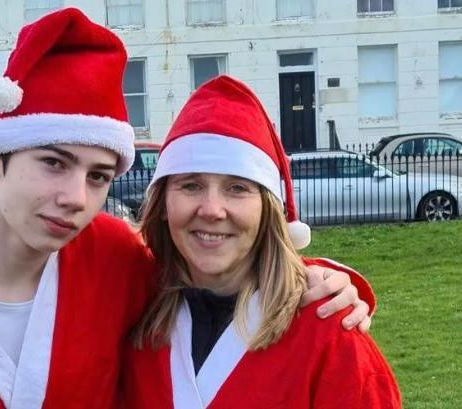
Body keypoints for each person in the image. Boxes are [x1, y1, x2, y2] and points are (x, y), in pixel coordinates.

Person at [0, 8, 374, 409]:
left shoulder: (112, 259)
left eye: (99, 176)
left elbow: (214, 271)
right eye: (54, 162)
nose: (75, 197)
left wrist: (326, 281)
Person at [120, 75, 401, 409]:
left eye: (237, 188)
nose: (211, 210)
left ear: (268, 210)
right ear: (163, 204)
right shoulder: (137, 321)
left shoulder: (330, 334)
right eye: (191, 185)